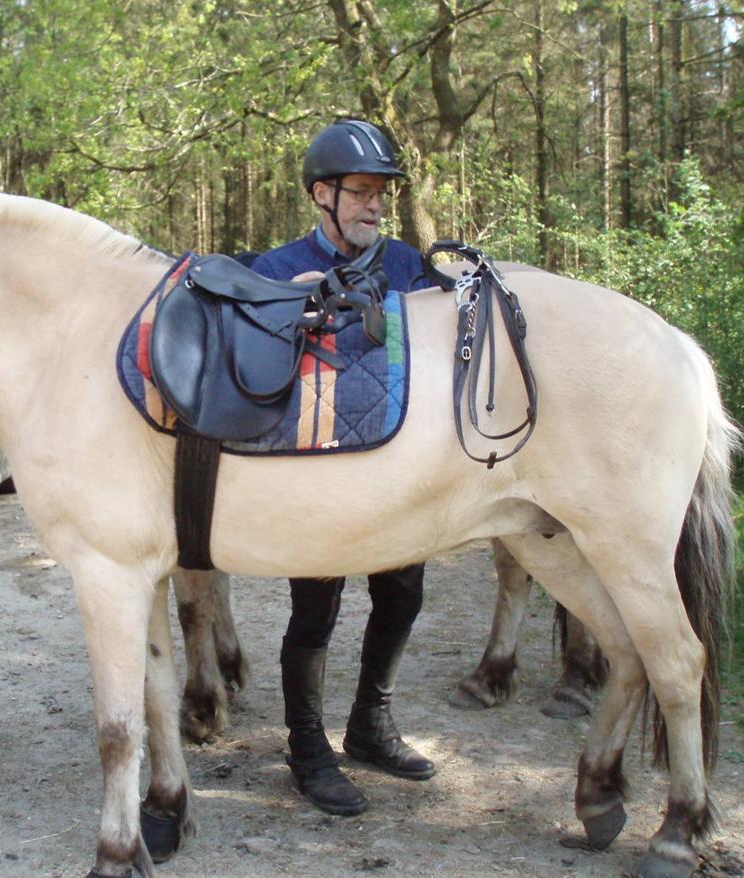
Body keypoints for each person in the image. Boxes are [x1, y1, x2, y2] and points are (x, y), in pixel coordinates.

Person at [251, 119, 435, 817]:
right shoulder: (274, 267)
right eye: (360, 192)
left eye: (380, 194)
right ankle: (306, 749)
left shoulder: (408, 264)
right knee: (315, 612)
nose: (374, 206)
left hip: (395, 473)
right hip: (316, 474)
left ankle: (370, 726)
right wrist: (281, 306)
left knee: (402, 595)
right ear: (321, 194)